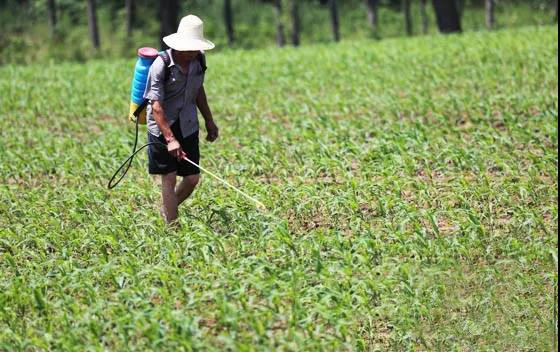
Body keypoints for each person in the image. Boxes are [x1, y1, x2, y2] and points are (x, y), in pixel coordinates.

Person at [144, 15, 219, 225]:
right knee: (169, 177)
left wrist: (209, 121)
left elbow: (198, 90)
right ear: (179, 45)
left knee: (193, 177)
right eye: (190, 47)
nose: (194, 51)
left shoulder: (198, 60)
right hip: (162, 127)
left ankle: (168, 213)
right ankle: (172, 229)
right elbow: (156, 106)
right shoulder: (161, 65)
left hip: (188, 124)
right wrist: (170, 139)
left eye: (196, 47)